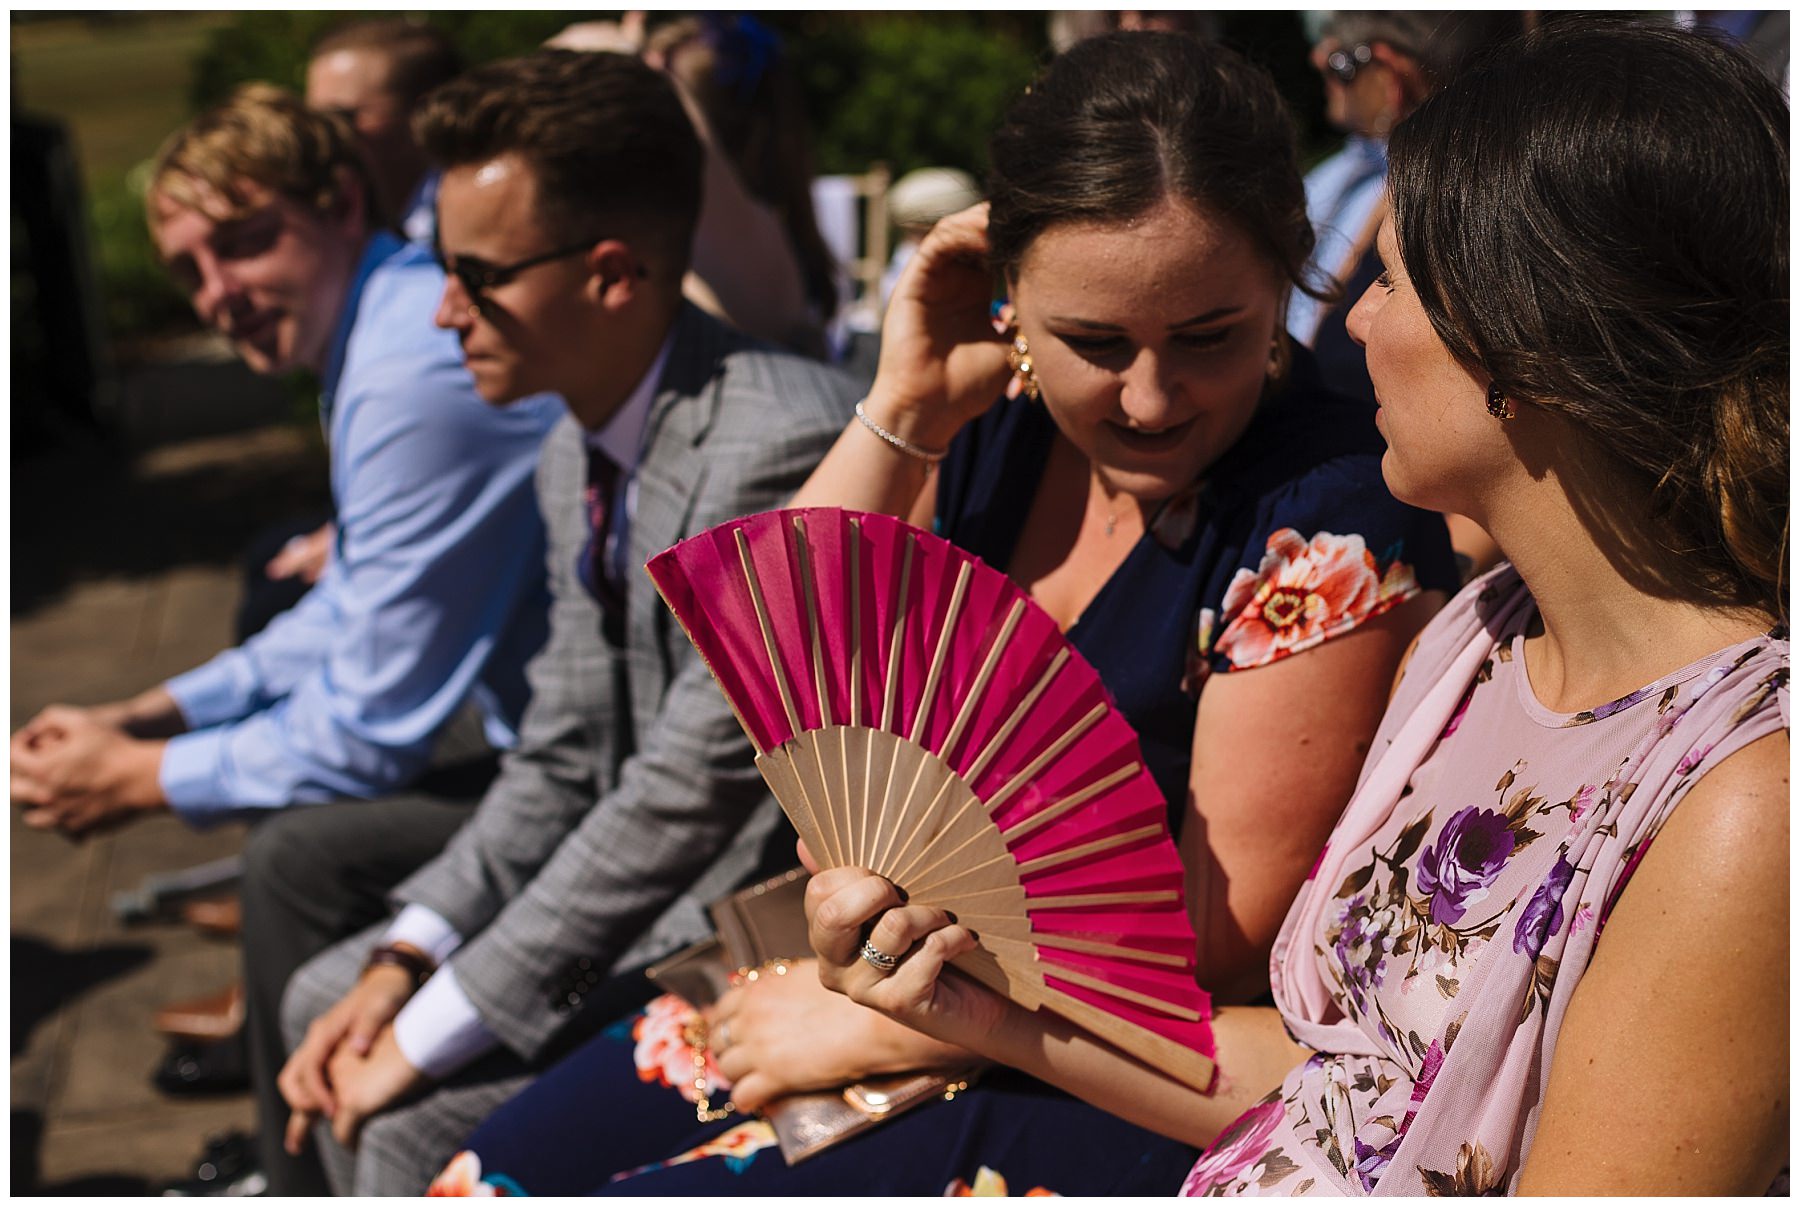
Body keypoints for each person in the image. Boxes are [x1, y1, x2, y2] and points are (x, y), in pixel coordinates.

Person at [427, 32, 1460, 1196]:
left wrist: (904, 1020)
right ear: (1009, 298)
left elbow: (1197, 948)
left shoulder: (1323, 517)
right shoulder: (986, 425)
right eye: (1093, 343)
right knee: (482, 1173)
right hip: (870, 971)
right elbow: (761, 688)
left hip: (1103, 1067)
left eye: (1210, 337)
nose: (1151, 398)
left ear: (1282, 277)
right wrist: (902, 400)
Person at [808, 20, 1788, 1195]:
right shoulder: (1479, 644)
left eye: (1390, 276)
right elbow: (1343, 1080)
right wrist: (965, 1005)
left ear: (1529, 342)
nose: (1354, 322)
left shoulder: (1742, 806)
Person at [269, 49, 860, 1196]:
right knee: (326, 1000)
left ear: (613, 274)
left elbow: (683, 797)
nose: (444, 312)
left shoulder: (778, 449)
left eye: (477, 275)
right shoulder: (569, 442)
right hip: (652, 895)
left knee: (400, 1121)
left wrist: (428, 1028)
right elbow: (559, 756)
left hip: (764, 936)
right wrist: (403, 963)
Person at [6, 81, 563, 1190]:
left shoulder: (408, 364)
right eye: (186, 271)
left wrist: (140, 776)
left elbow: (370, 718)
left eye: (246, 242)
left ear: (343, 202)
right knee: (299, 833)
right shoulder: (375, 328)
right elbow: (349, 609)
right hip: (531, 719)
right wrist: (150, 712)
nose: (217, 293)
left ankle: (292, 1171)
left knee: (295, 860)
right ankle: (287, 1149)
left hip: (572, 750)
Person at [240, 19, 467, 633]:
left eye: (341, 122)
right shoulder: (388, 223)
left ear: (426, 114)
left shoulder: (457, 238)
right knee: (270, 561)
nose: (321, 146)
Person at [1290, 12, 1519, 581]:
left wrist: (1445, 576)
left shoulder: (1488, 212)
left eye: (1344, 58)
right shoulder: (1346, 181)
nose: (1359, 317)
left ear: (1393, 76)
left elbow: (1520, 433)